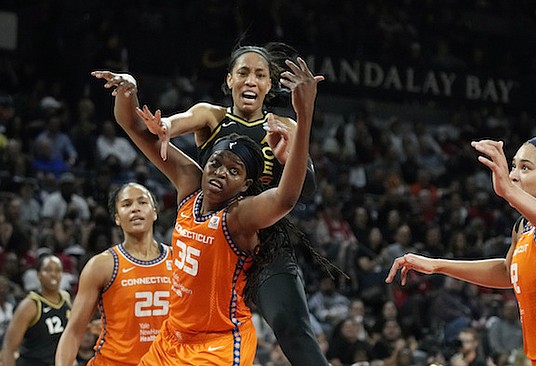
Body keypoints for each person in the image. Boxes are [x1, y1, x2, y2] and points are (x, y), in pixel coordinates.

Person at [91, 52, 320, 365]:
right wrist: (156, 118)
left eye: (259, 74)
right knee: (188, 321)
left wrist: (294, 139)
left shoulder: (285, 127)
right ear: (229, 79)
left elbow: (298, 193)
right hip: (210, 251)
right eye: (243, 72)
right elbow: (159, 127)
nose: (250, 80)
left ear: (269, 85)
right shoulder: (209, 121)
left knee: (293, 330)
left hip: (259, 238)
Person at [386, 136, 536, 365]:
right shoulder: (523, 226)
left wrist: (509, 193)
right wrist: (437, 265)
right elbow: (506, 272)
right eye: (513, 166)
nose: (512, 175)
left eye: (525, 168)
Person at [54, 182, 172, 366]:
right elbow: (74, 330)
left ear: (155, 212)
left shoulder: (179, 260)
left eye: (142, 202)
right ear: (117, 218)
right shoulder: (101, 265)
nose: (135, 209)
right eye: (126, 205)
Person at [2, 254, 72, 366]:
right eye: (48, 270)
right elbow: (9, 347)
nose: (53, 274)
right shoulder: (30, 304)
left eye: (58, 270)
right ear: (38, 275)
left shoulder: (66, 298)